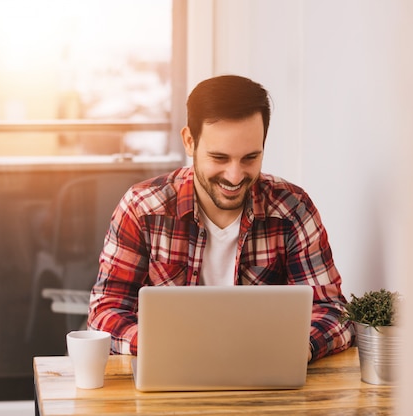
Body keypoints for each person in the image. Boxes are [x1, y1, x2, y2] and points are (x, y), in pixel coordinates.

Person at [88, 75, 354, 362]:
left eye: (250, 158)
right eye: (220, 158)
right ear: (190, 142)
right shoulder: (142, 209)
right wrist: (162, 347)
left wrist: (300, 346)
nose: (235, 176)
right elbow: (105, 312)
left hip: (263, 379)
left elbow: (332, 311)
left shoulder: (292, 209)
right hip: (171, 373)